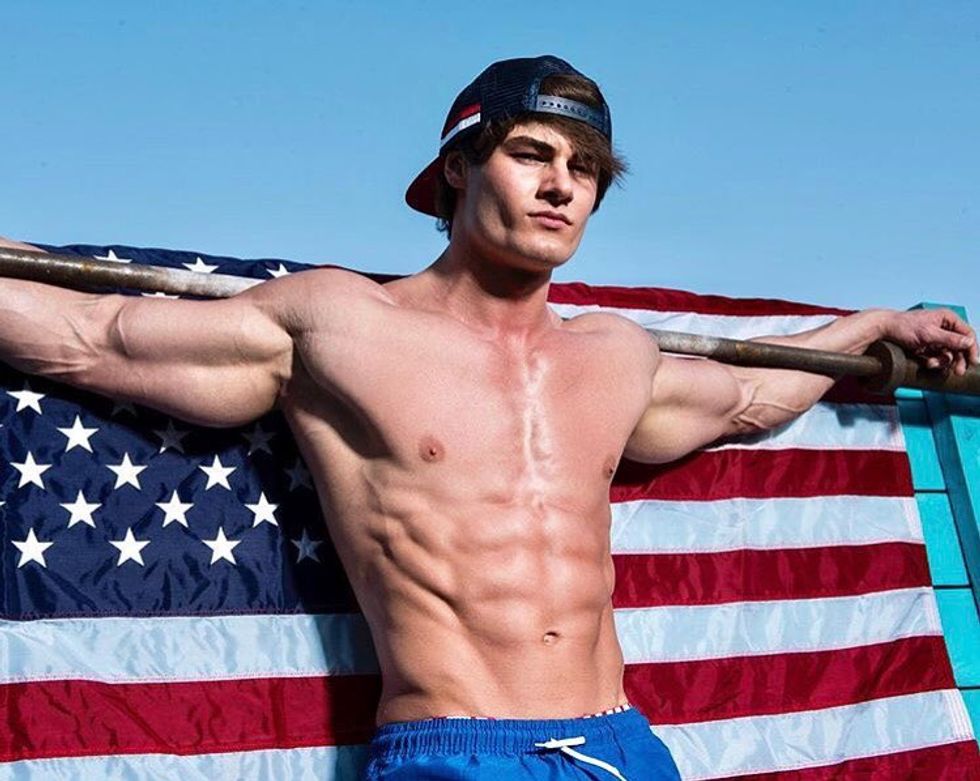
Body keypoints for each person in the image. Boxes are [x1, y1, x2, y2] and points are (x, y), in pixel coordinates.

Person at [0, 55, 976, 780]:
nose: (560, 185)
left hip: (622, 744)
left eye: (584, 167)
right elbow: (93, 337)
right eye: (530, 153)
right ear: (460, 168)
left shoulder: (614, 354)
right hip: (455, 748)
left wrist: (870, 326)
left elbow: (750, 399)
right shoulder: (339, 323)